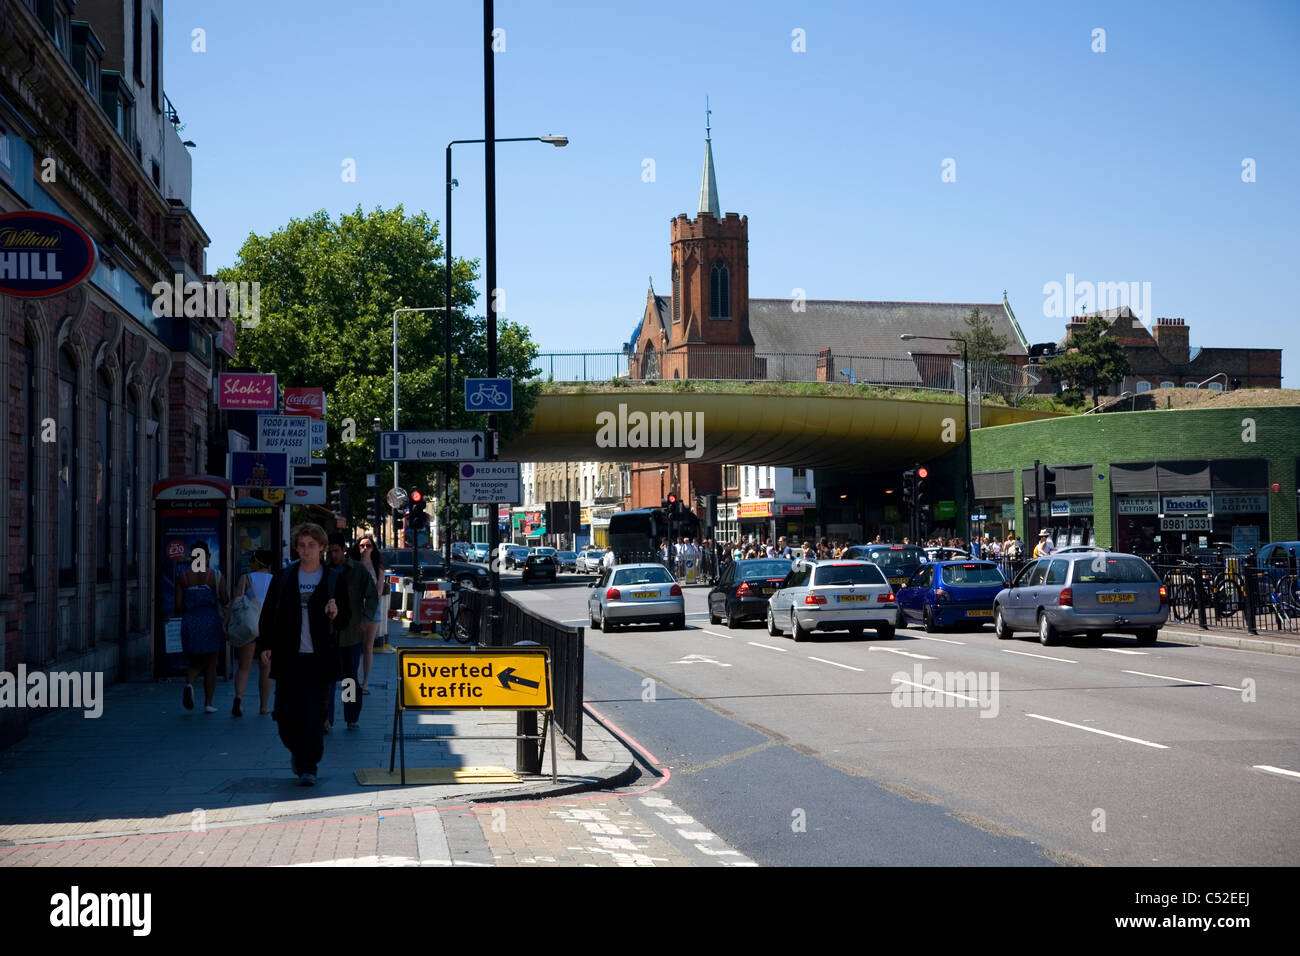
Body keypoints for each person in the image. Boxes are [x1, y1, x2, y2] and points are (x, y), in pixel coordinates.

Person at [257, 523, 350, 786]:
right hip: (289, 659)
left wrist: (336, 612)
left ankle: (309, 765)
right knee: (285, 715)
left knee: (313, 715)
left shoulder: (333, 579)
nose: (306, 550)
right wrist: (266, 645)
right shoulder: (285, 577)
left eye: (311, 545)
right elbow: (268, 615)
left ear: (321, 547)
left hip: (320, 660)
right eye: (301, 545)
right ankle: (297, 752)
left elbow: (346, 620)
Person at [327, 533, 378, 732]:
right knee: (328, 678)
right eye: (330, 551)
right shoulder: (324, 570)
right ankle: (327, 718)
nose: (333, 555)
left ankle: (350, 716)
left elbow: (372, 596)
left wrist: (365, 619)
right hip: (329, 634)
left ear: (344, 549)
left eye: (336, 551)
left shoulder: (357, 570)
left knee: (349, 678)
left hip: (351, 633)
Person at [174, 543, 228, 714]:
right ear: (208, 556)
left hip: (190, 620)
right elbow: (225, 599)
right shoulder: (215, 576)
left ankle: (189, 684)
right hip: (210, 620)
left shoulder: (182, 577)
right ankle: (208, 703)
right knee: (211, 663)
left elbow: (178, 605)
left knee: (194, 660)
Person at [230, 549, 275, 716]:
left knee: (244, 666)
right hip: (268, 628)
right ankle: (263, 706)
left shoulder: (246, 578)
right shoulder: (275, 580)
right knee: (266, 667)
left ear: (257, 561)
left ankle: (239, 698)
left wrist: (227, 621)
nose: (249, 562)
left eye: (251, 559)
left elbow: (236, 601)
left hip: (249, 625)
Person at [356, 535, 387, 695]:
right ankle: (352, 683)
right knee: (354, 647)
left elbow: (379, 590)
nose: (365, 548)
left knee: (367, 646)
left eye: (368, 545)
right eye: (362, 545)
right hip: (355, 610)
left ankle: (365, 683)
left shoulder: (377, 566)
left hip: (372, 609)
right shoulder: (353, 564)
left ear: (373, 548)